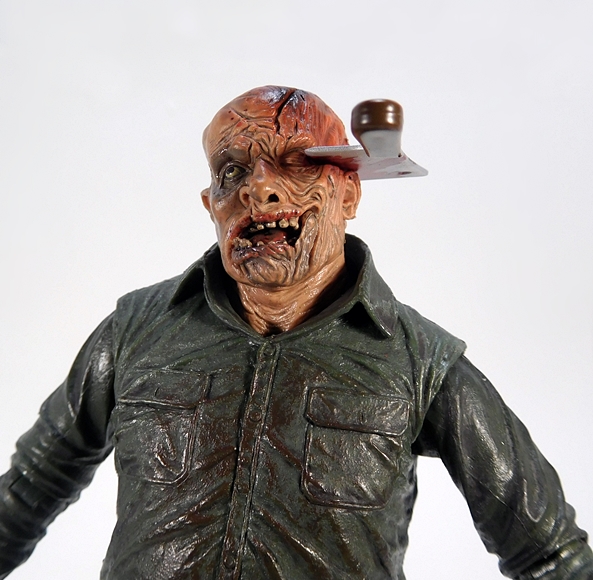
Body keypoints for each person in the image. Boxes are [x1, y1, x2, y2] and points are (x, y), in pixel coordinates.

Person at [0, 86, 591, 580]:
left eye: (297, 163)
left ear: (349, 192)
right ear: (211, 204)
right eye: (232, 171)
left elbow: (550, 554)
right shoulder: (135, 331)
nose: (258, 188)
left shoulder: (420, 362)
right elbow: (28, 490)